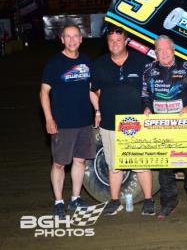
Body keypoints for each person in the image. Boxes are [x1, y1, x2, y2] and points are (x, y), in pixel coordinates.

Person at [91, 25, 155, 216]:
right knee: (113, 163)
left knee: (141, 163)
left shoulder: (141, 61)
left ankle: (149, 200)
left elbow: (151, 87)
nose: (115, 44)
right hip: (110, 122)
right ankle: (114, 200)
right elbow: (93, 91)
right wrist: (97, 111)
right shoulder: (99, 64)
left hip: (136, 123)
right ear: (107, 43)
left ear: (126, 41)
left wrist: (148, 107)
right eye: (111, 41)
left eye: (119, 40)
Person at [142, 34, 187, 218]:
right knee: (164, 169)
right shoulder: (148, 69)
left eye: (167, 49)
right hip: (160, 127)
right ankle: (169, 203)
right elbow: (144, 94)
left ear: (173, 49)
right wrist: (146, 106)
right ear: (155, 52)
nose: (164, 53)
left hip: (184, 125)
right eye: (159, 50)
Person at [40, 24, 98, 218]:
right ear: (62, 39)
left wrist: (98, 111)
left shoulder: (87, 61)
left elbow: (91, 90)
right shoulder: (54, 63)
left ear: (81, 39)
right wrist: (49, 118)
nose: (72, 40)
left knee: (80, 161)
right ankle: (58, 201)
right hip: (62, 123)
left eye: (76, 36)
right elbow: (44, 92)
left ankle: (75, 198)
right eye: (68, 37)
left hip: (84, 121)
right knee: (59, 163)